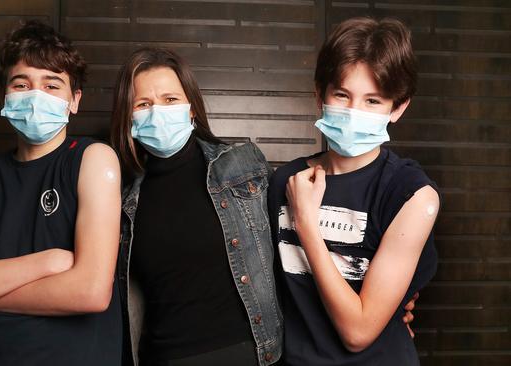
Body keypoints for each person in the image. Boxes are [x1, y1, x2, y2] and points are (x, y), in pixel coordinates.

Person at [0, 20, 122, 365]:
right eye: (21, 84)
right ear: (5, 95)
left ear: (74, 101)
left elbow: (90, 292)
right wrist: (48, 262)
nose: (35, 97)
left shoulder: (93, 159)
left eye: (52, 85)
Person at [268, 17, 439, 365]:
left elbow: (358, 333)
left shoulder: (411, 195)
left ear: (398, 107)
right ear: (320, 95)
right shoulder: (285, 181)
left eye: (373, 101)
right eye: (342, 95)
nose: (353, 113)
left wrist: (306, 226)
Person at [110, 47, 282, 366]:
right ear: (128, 117)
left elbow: (293, 248)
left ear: (191, 108)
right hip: (163, 356)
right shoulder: (120, 199)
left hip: (252, 354)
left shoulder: (243, 164)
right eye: (143, 104)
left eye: (170, 99)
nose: (157, 112)